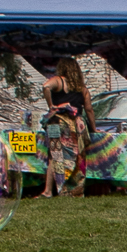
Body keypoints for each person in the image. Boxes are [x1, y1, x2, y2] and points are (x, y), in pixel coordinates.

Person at [39, 56, 94, 198]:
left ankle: (48, 191)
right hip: (77, 125)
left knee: (54, 154)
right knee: (78, 157)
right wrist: (93, 128)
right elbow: (89, 110)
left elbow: (46, 86)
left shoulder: (59, 80)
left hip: (57, 122)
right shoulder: (83, 89)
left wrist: (52, 106)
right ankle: (72, 191)